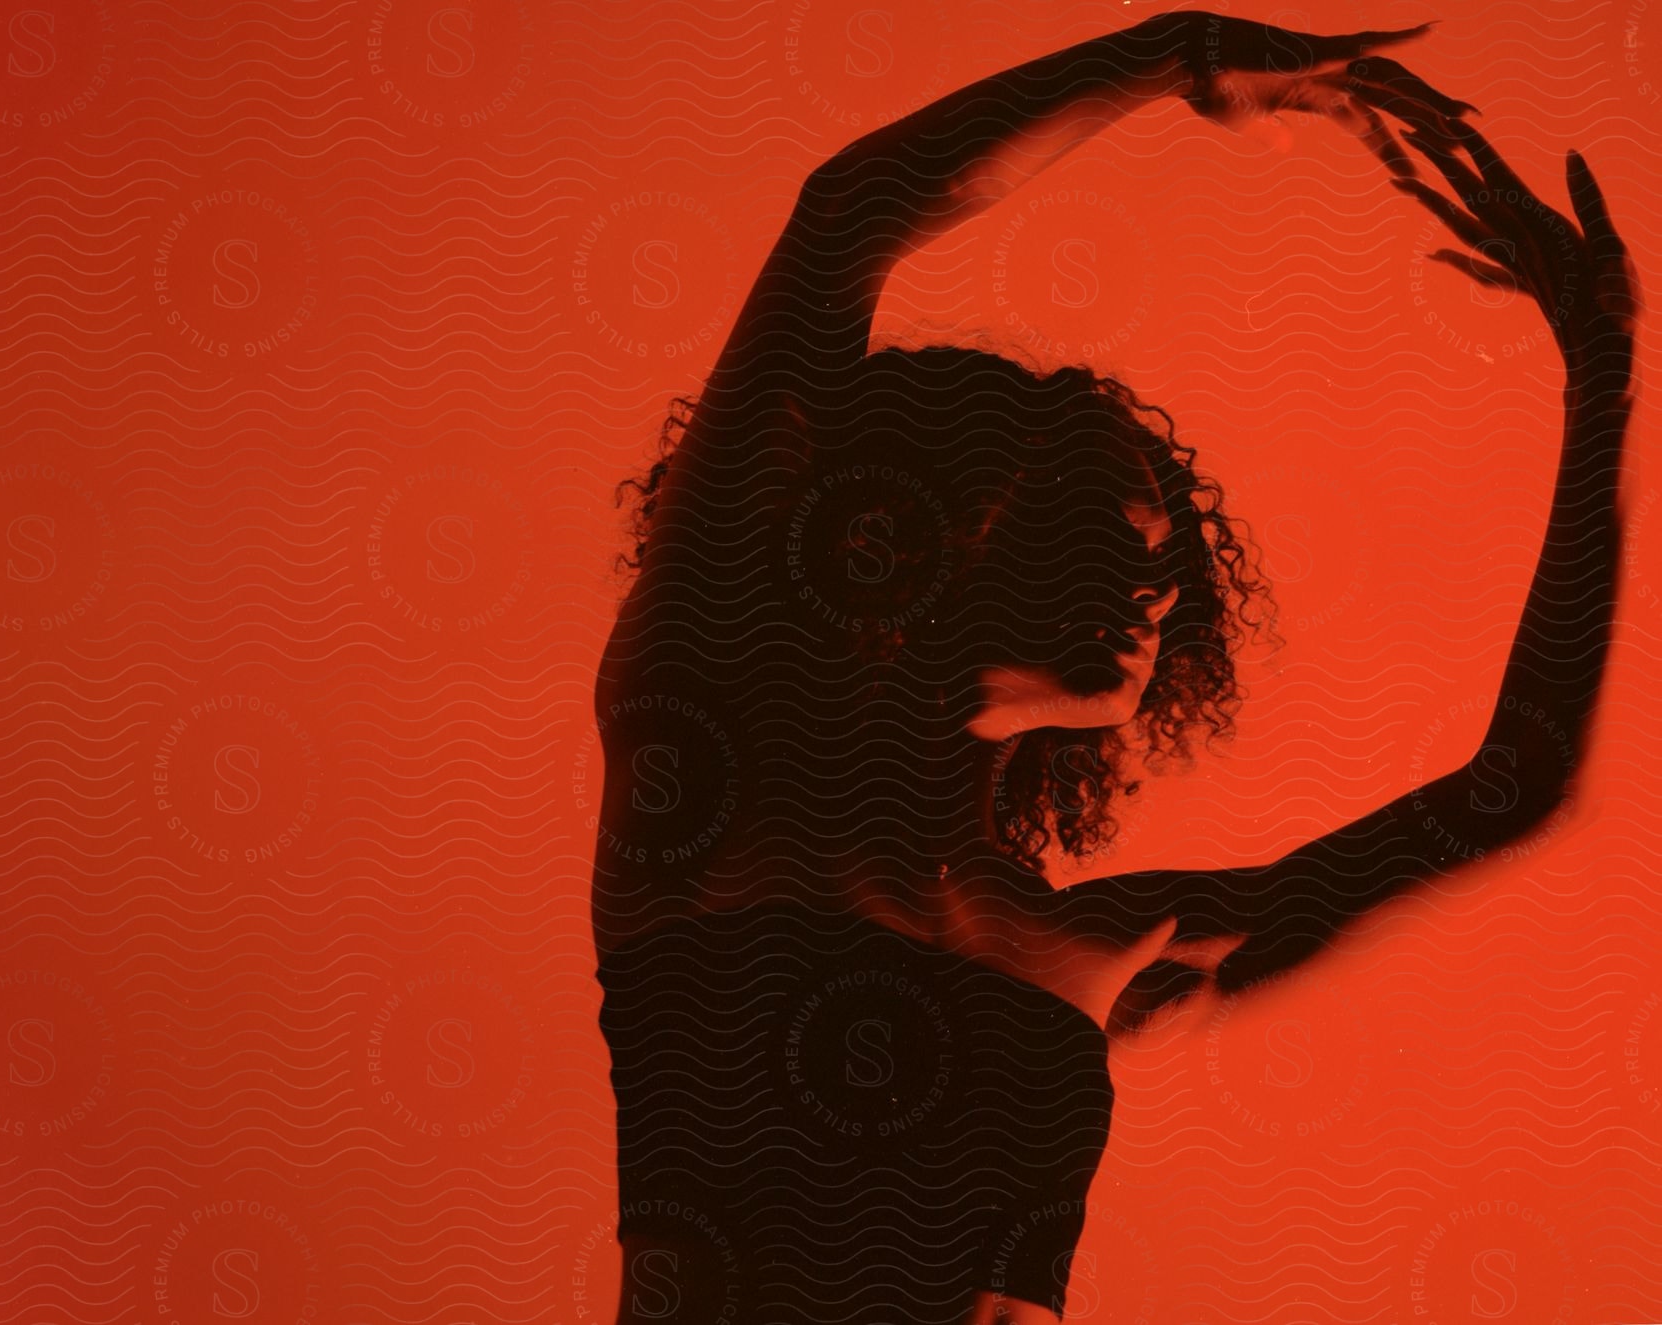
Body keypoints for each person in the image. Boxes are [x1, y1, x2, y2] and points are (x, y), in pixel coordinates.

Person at [590, 12, 1637, 1323]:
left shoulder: (1106, 941)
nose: (1148, 592)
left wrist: (1601, 381)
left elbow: (1518, 779)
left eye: (1164, 567)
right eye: (1103, 536)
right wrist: (1171, 52)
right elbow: (844, 215)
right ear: (934, 527)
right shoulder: (707, 749)